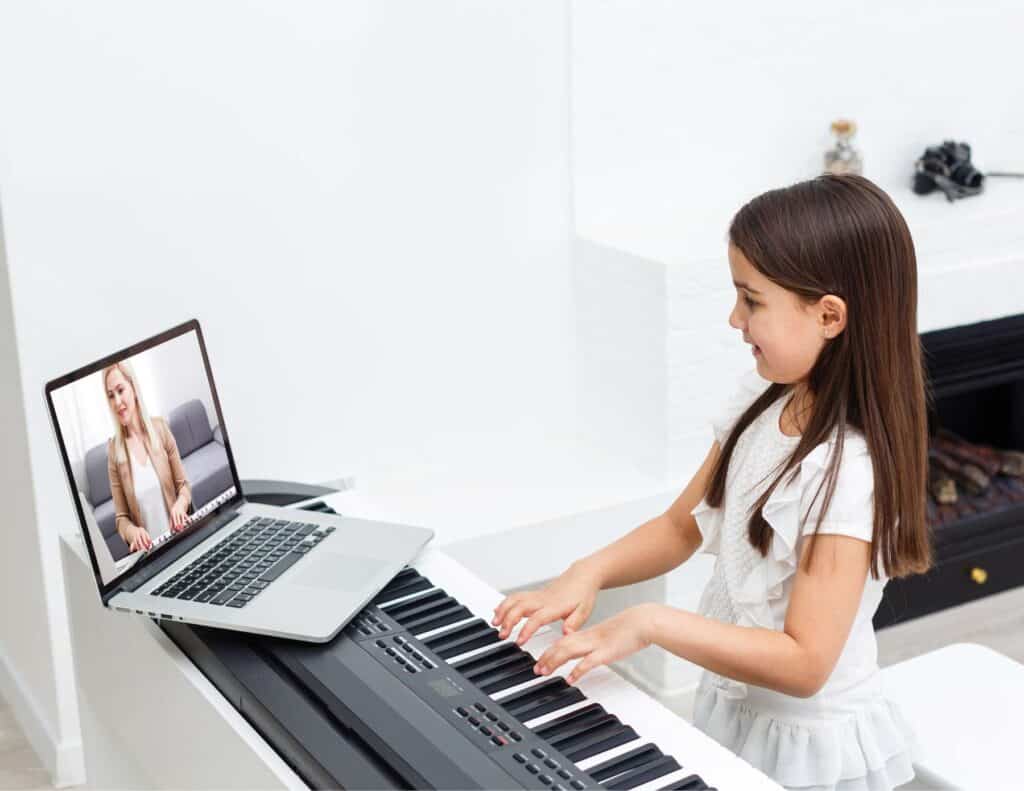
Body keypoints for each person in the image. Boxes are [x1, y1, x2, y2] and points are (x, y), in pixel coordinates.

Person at [492, 174, 931, 791]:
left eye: (751, 300)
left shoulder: (847, 472)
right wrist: (587, 571)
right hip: (733, 708)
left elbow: (806, 662)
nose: (734, 318)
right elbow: (682, 525)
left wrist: (650, 621)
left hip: (808, 751)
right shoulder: (764, 397)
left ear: (829, 316)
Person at [104, 360, 192, 553]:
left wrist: (180, 504)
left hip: (181, 541)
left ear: (134, 389)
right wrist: (132, 532)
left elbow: (183, 486)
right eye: (111, 396)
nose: (117, 402)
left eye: (120, 390)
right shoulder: (113, 452)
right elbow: (121, 520)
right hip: (151, 557)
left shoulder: (160, 429)